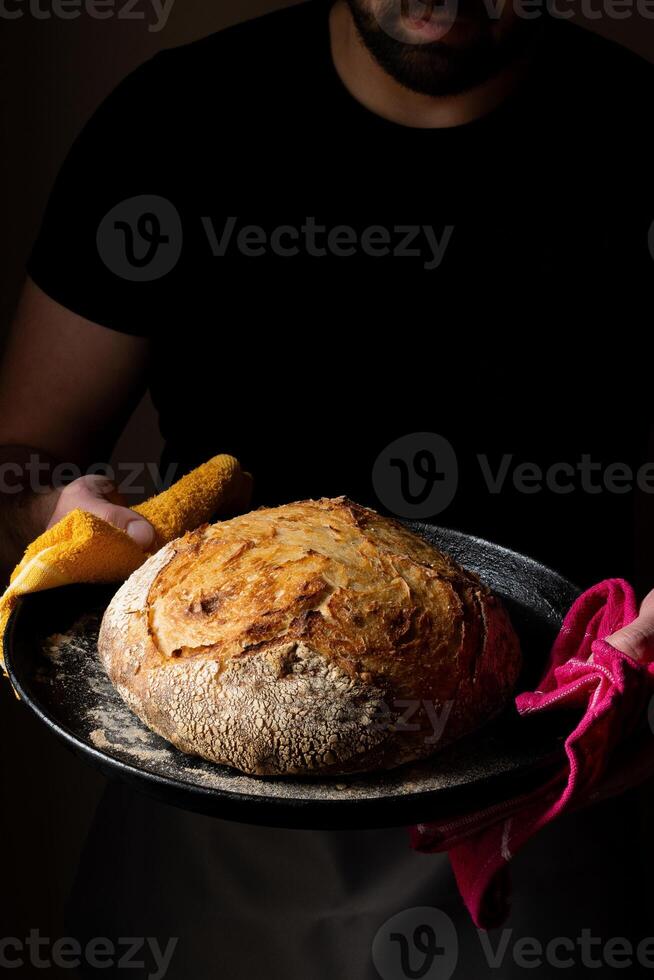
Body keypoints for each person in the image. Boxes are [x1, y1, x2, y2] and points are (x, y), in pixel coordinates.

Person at [1, 1, 653, 975]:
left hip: (553, 792)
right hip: (205, 802)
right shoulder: (177, 119)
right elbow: (27, 452)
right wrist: (56, 515)